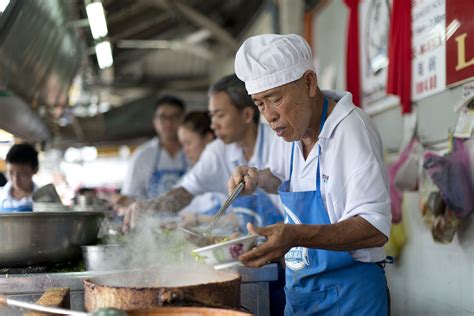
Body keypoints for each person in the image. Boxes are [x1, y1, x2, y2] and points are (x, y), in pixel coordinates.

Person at [229, 34, 391, 315]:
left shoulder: (350, 130)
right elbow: (283, 178)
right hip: (302, 297)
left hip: (351, 299)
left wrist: (295, 235)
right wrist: (256, 178)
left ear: (309, 83)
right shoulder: (292, 131)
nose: (269, 115)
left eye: (275, 99)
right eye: (260, 104)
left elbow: (374, 229)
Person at [122, 74, 285, 233]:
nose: (213, 125)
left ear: (247, 115)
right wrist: (150, 207)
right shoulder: (218, 151)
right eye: (212, 116)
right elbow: (184, 193)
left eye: (220, 115)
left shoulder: (279, 142)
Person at [121, 95, 187, 199]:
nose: (169, 123)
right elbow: (129, 196)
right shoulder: (142, 156)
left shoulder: (195, 151)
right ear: (154, 121)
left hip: (194, 215)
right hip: (152, 215)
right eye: (163, 117)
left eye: (175, 117)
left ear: (184, 120)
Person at [0, 143, 39, 212]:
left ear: (35, 170)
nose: (16, 180)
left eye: (22, 174)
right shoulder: (1, 195)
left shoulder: (43, 200)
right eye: (11, 173)